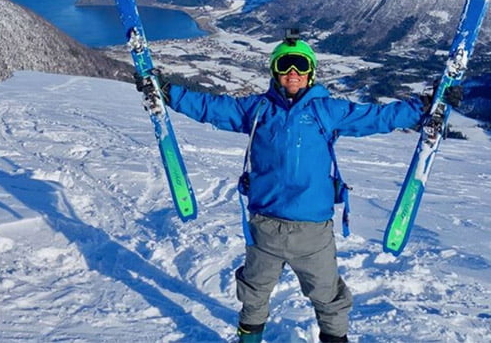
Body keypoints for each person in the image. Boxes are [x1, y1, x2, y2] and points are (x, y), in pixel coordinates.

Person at [138, 32, 459, 343]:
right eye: (285, 66)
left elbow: (377, 117)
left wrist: (427, 106)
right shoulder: (258, 109)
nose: (293, 73)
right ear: (274, 72)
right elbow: (211, 107)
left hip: (313, 232)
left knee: (328, 297)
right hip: (265, 227)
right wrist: (166, 92)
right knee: (254, 294)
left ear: (311, 72)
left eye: (301, 66)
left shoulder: (326, 111)